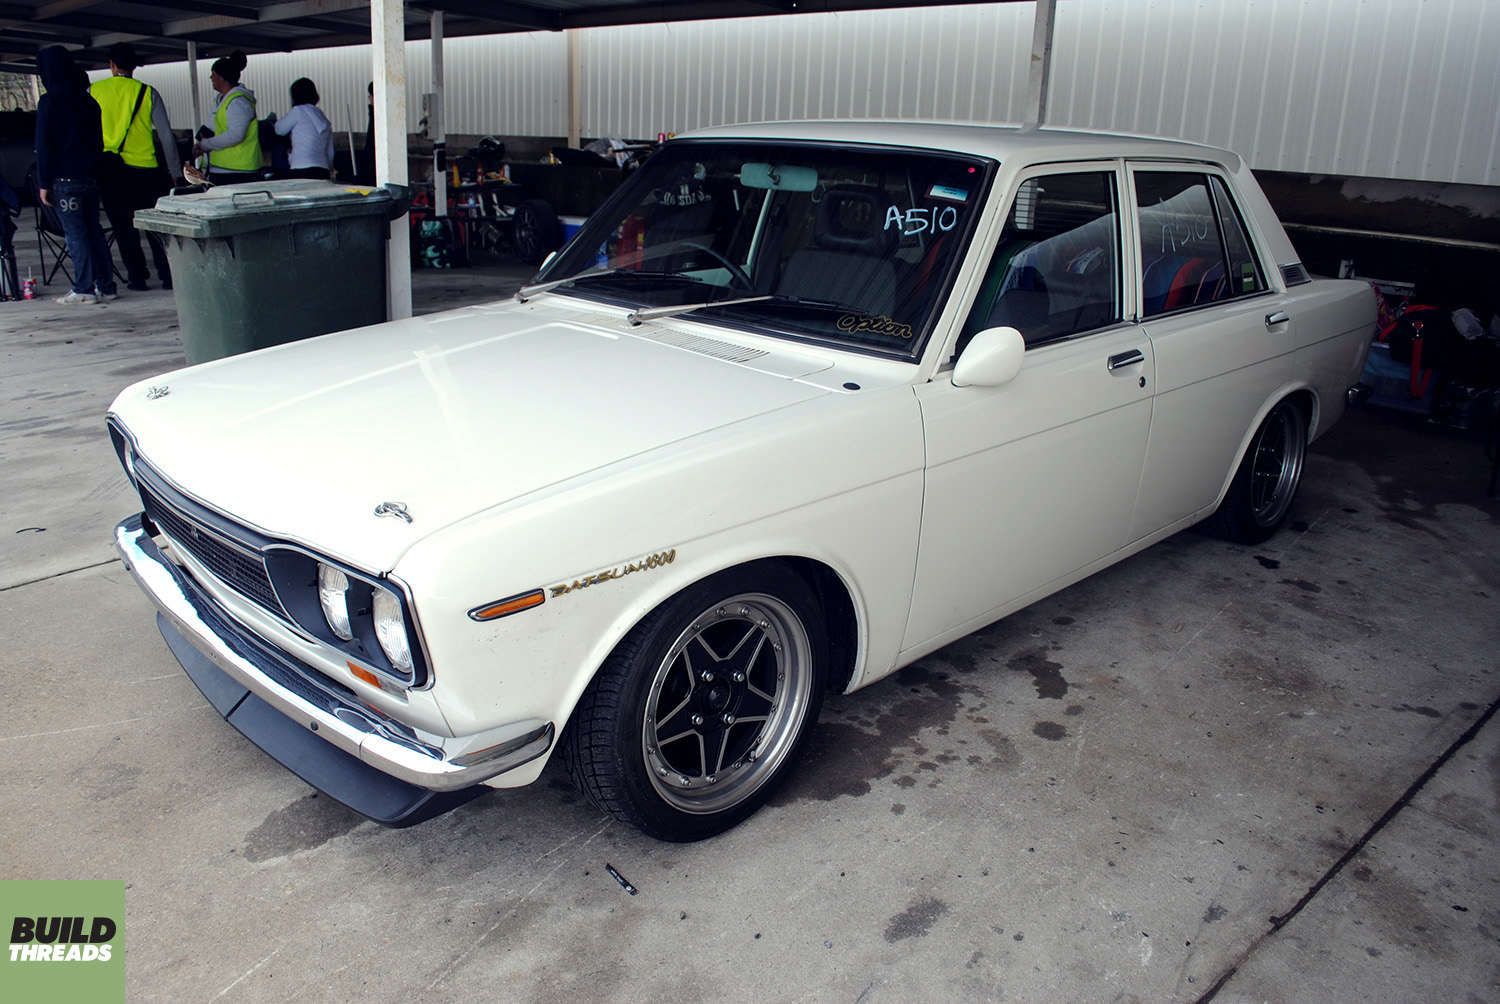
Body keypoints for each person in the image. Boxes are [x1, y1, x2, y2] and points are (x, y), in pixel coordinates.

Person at [91, 42, 179, 291]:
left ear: (111, 64)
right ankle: (167, 276)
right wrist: (174, 171)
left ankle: (137, 278)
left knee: (123, 228)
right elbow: (166, 136)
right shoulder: (148, 92)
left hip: (111, 170)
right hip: (145, 171)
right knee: (153, 226)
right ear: (134, 66)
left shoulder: (94, 91)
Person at [33, 45, 117, 305]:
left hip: (65, 180)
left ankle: (83, 289)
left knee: (75, 234)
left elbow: (44, 146)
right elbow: (98, 142)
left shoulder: (49, 101)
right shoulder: (88, 101)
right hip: (90, 177)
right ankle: (106, 285)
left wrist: (43, 183)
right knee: (94, 231)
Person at [192, 51, 261, 185]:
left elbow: (235, 135)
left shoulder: (238, 102)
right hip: (223, 169)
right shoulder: (222, 100)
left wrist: (206, 144)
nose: (211, 77)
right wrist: (201, 146)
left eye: (213, 74)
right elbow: (215, 128)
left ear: (222, 77)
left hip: (238, 171)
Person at [273, 78, 335, 180]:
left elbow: (279, 129)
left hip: (301, 167)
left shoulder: (299, 111)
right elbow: (330, 153)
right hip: (322, 170)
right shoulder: (324, 119)